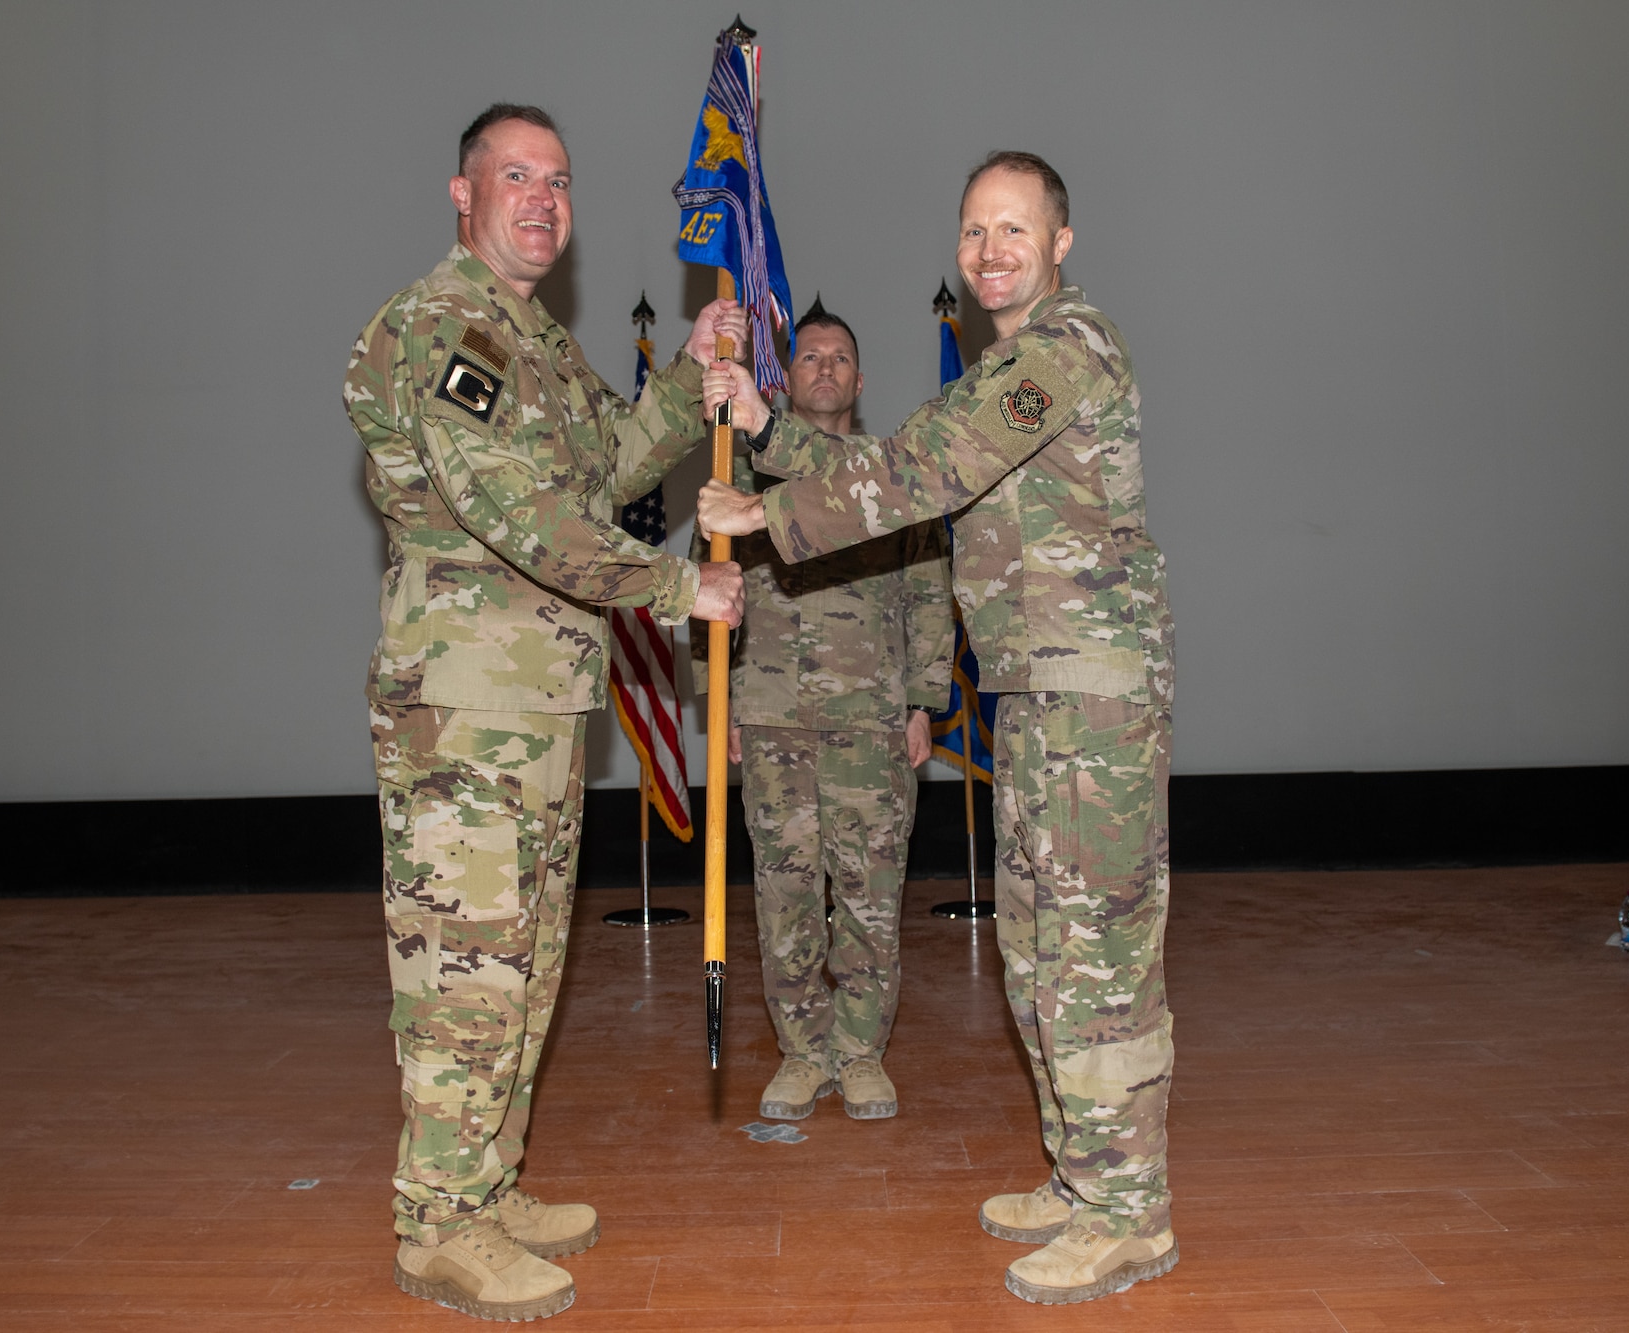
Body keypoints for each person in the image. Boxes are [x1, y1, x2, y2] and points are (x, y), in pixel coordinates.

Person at [698, 151, 1177, 1307]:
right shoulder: (1006, 364)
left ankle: (1129, 1210)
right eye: (972, 232)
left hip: (1088, 694)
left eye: (1013, 229)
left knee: (1092, 957)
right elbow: (891, 460)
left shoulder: (1065, 350)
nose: (989, 251)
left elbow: (919, 468)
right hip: (1036, 690)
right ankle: (1082, 1177)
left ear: (1059, 241)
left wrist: (764, 507)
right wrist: (766, 425)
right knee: (1035, 950)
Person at [344, 103, 745, 1322]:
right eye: (514, 176)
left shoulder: (536, 342)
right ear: (459, 194)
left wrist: (689, 376)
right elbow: (517, 511)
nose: (541, 198)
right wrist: (683, 585)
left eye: (558, 180)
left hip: (536, 703)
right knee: (465, 975)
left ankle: (486, 1181)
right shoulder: (440, 328)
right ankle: (438, 1224)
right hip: (463, 712)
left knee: (523, 966)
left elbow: (608, 469)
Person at [694, 300, 954, 1123]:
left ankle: (862, 1052)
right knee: (786, 894)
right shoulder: (741, 475)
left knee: (873, 893)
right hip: (769, 715)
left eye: (841, 357)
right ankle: (804, 1053)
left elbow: (928, 590)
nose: (826, 368)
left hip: (871, 719)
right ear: (784, 375)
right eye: (809, 357)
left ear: (861, 378)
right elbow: (713, 593)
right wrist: (721, 704)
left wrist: (923, 702)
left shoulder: (890, 474)